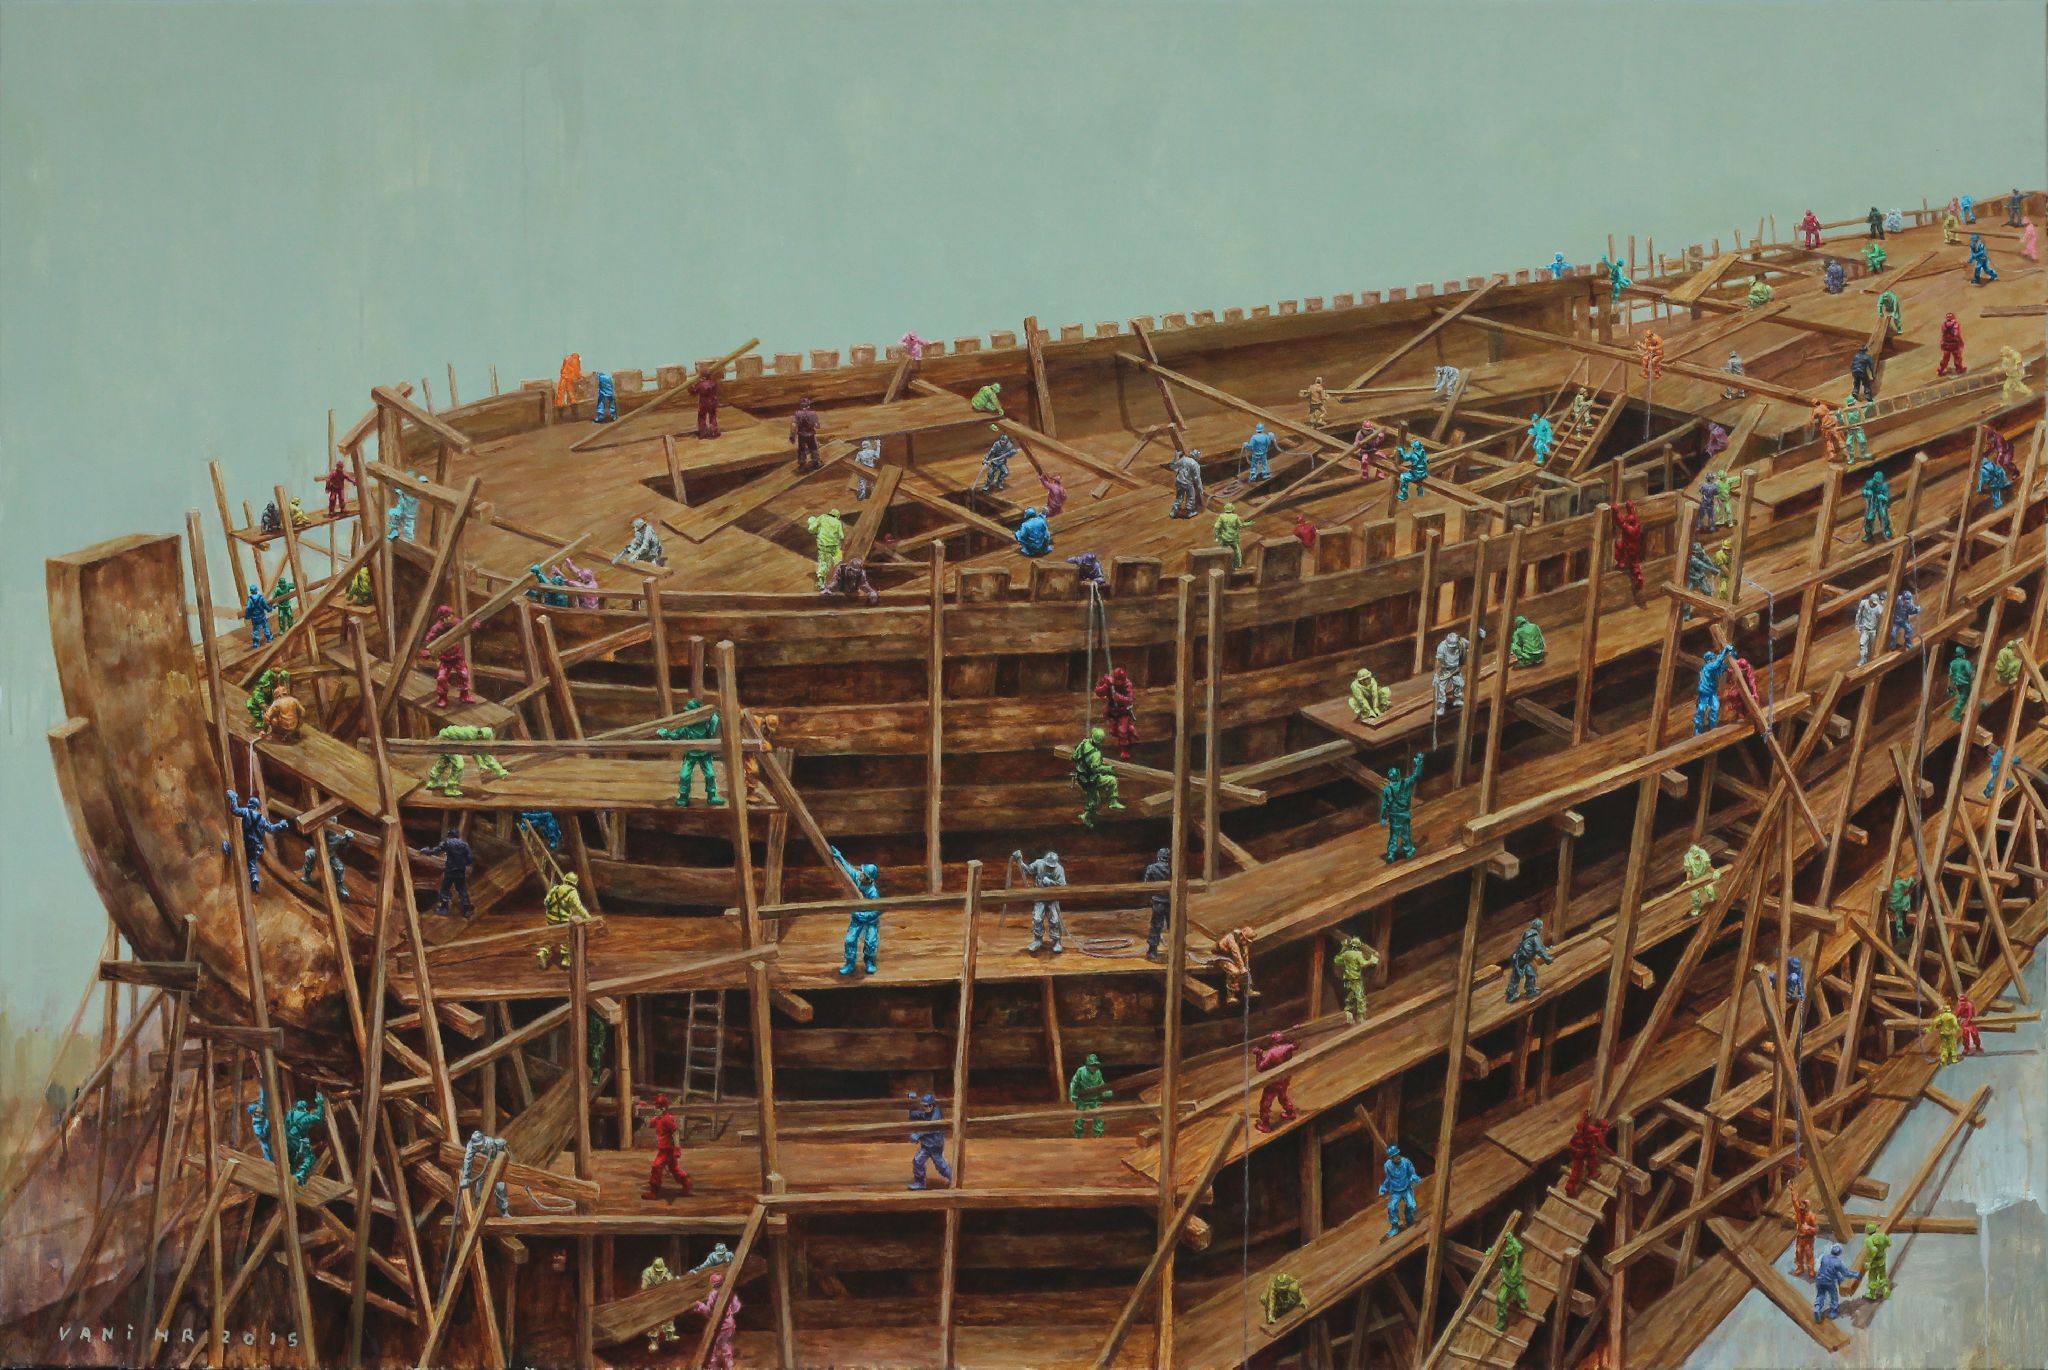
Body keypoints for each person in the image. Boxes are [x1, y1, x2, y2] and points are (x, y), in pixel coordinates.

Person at [833, 845, 883, 975]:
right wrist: (840, 857)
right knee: (850, 940)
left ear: (869, 879)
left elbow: (877, 910)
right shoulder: (858, 878)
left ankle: (869, 961)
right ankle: (850, 963)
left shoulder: (874, 893)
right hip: (857, 918)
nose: (860, 874)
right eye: (862, 872)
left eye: (864, 874)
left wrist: (865, 915)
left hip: (870, 921)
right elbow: (849, 869)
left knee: (871, 941)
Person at [1015, 848, 1068, 955]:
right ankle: (1037, 940)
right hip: (1040, 896)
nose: (1049, 868)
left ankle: (1056, 942)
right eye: (1048, 866)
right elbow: (1028, 870)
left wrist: (1051, 882)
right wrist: (1020, 861)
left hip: (1053, 898)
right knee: (1037, 918)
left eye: (1051, 867)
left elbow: (1063, 885)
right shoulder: (1039, 863)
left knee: (1055, 920)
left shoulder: (1059, 869)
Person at [1378, 754, 1425, 864]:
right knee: (1406, 833)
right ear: (1398, 775)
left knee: (1394, 836)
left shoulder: (1387, 790)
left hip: (1394, 816)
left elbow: (1385, 805)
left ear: (1390, 777)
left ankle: (1391, 854)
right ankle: (1408, 851)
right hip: (1404, 814)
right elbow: (1415, 775)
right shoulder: (1405, 783)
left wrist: (1383, 818)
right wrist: (1419, 764)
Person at [1251, 1031, 1298, 1132]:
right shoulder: (1288, 1047)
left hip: (1275, 1080)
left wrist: (1258, 1055)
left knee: (1265, 1103)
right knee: (1282, 1096)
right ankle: (1290, 1112)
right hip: (1285, 1078)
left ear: (1273, 1041)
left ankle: (1265, 1124)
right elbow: (1295, 1045)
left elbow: (1260, 1068)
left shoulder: (1272, 1053)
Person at [1506, 919, 1554, 1002]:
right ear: (1539, 927)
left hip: (1518, 957)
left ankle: (1514, 992)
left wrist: (1545, 949)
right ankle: (1528, 991)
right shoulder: (1535, 937)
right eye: (1541, 927)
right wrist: (1548, 959)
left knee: (1519, 975)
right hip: (1523, 959)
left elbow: (1533, 947)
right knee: (1529, 974)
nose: (1541, 928)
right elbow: (1539, 949)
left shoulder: (1528, 934)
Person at [1067, 1054, 1113, 1137]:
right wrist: (1072, 1094)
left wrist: (1106, 1091)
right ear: (1087, 1065)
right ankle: (1078, 1135)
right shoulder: (1081, 1071)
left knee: (1098, 1117)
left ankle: (1098, 1135)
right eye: (1092, 1065)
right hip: (1082, 1098)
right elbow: (1074, 1082)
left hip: (1094, 1098)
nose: (1094, 1067)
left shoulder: (1098, 1072)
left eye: (1095, 1065)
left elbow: (1101, 1083)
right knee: (1080, 1117)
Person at [1379, 1145, 1420, 1237]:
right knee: (1391, 1207)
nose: (1397, 1157)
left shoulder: (1406, 1162)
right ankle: (1395, 1227)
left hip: (1406, 1188)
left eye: (1397, 1155)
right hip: (1395, 1191)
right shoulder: (1388, 1165)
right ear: (1391, 1158)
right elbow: (1389, 1178)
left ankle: (1409, 1219)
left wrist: (1415, 1177)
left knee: (1412, 1206)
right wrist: (1384, 1187)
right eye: (1394, 1156)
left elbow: (1411, 1173)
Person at [1142, 847, 1172, 961]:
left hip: (1158, 901)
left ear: (1158, 856)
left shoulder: (1151, 868)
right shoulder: (1172, 868)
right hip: (1171, 901)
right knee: (1173, 926)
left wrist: (1148, 898)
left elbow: (1146, 884)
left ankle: (1152, 952)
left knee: (1156, 926)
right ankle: (1175, 951)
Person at [1170, 447, 1205, 518]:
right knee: (1191, 497)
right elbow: (1197, 478)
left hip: (1179, 481)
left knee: (1179, 497)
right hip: (1188, 483)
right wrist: (1200, 488)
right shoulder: (1196, 465)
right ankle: (1189, 512)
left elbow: (1173, 466)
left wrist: (1176, 456)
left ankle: (1173, 512)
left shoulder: (1184, 459)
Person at [789, 396, 822, 471]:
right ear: (809, 405)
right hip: (811, 434)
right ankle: (816, 462)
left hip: (801, 435)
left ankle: (802, 465)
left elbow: (794, 424)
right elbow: (817, 425)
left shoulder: (797, 413)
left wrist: (792, 436)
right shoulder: (813, 413)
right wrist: (816, 425)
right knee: (813, 448)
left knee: (802, 450)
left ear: (801, 405)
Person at [1791, 1195, 1820, 1277]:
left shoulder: (1811, 1216)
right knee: (1798, 1252)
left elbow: (1816, 1229)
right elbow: (1795, 1202)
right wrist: (1793, 1192)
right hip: (1800, 1237)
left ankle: (1811, 1270)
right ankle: (1800, 1268)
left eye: (1803, 1207)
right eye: (1800, 1207)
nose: (1801, 1209)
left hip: (1808, 1239)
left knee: (1809, 1253)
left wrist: (1809, 1228)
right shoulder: (1799, 1213)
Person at [691, 365, 722, 438]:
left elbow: (694, 392)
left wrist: (689, 387)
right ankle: (714, 431)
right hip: (713, 403)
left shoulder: (700, 384)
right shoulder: (713, 383)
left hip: (704, 404)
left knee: (701, 417)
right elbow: (716, 391)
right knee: (713, 416)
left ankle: (703, 432)